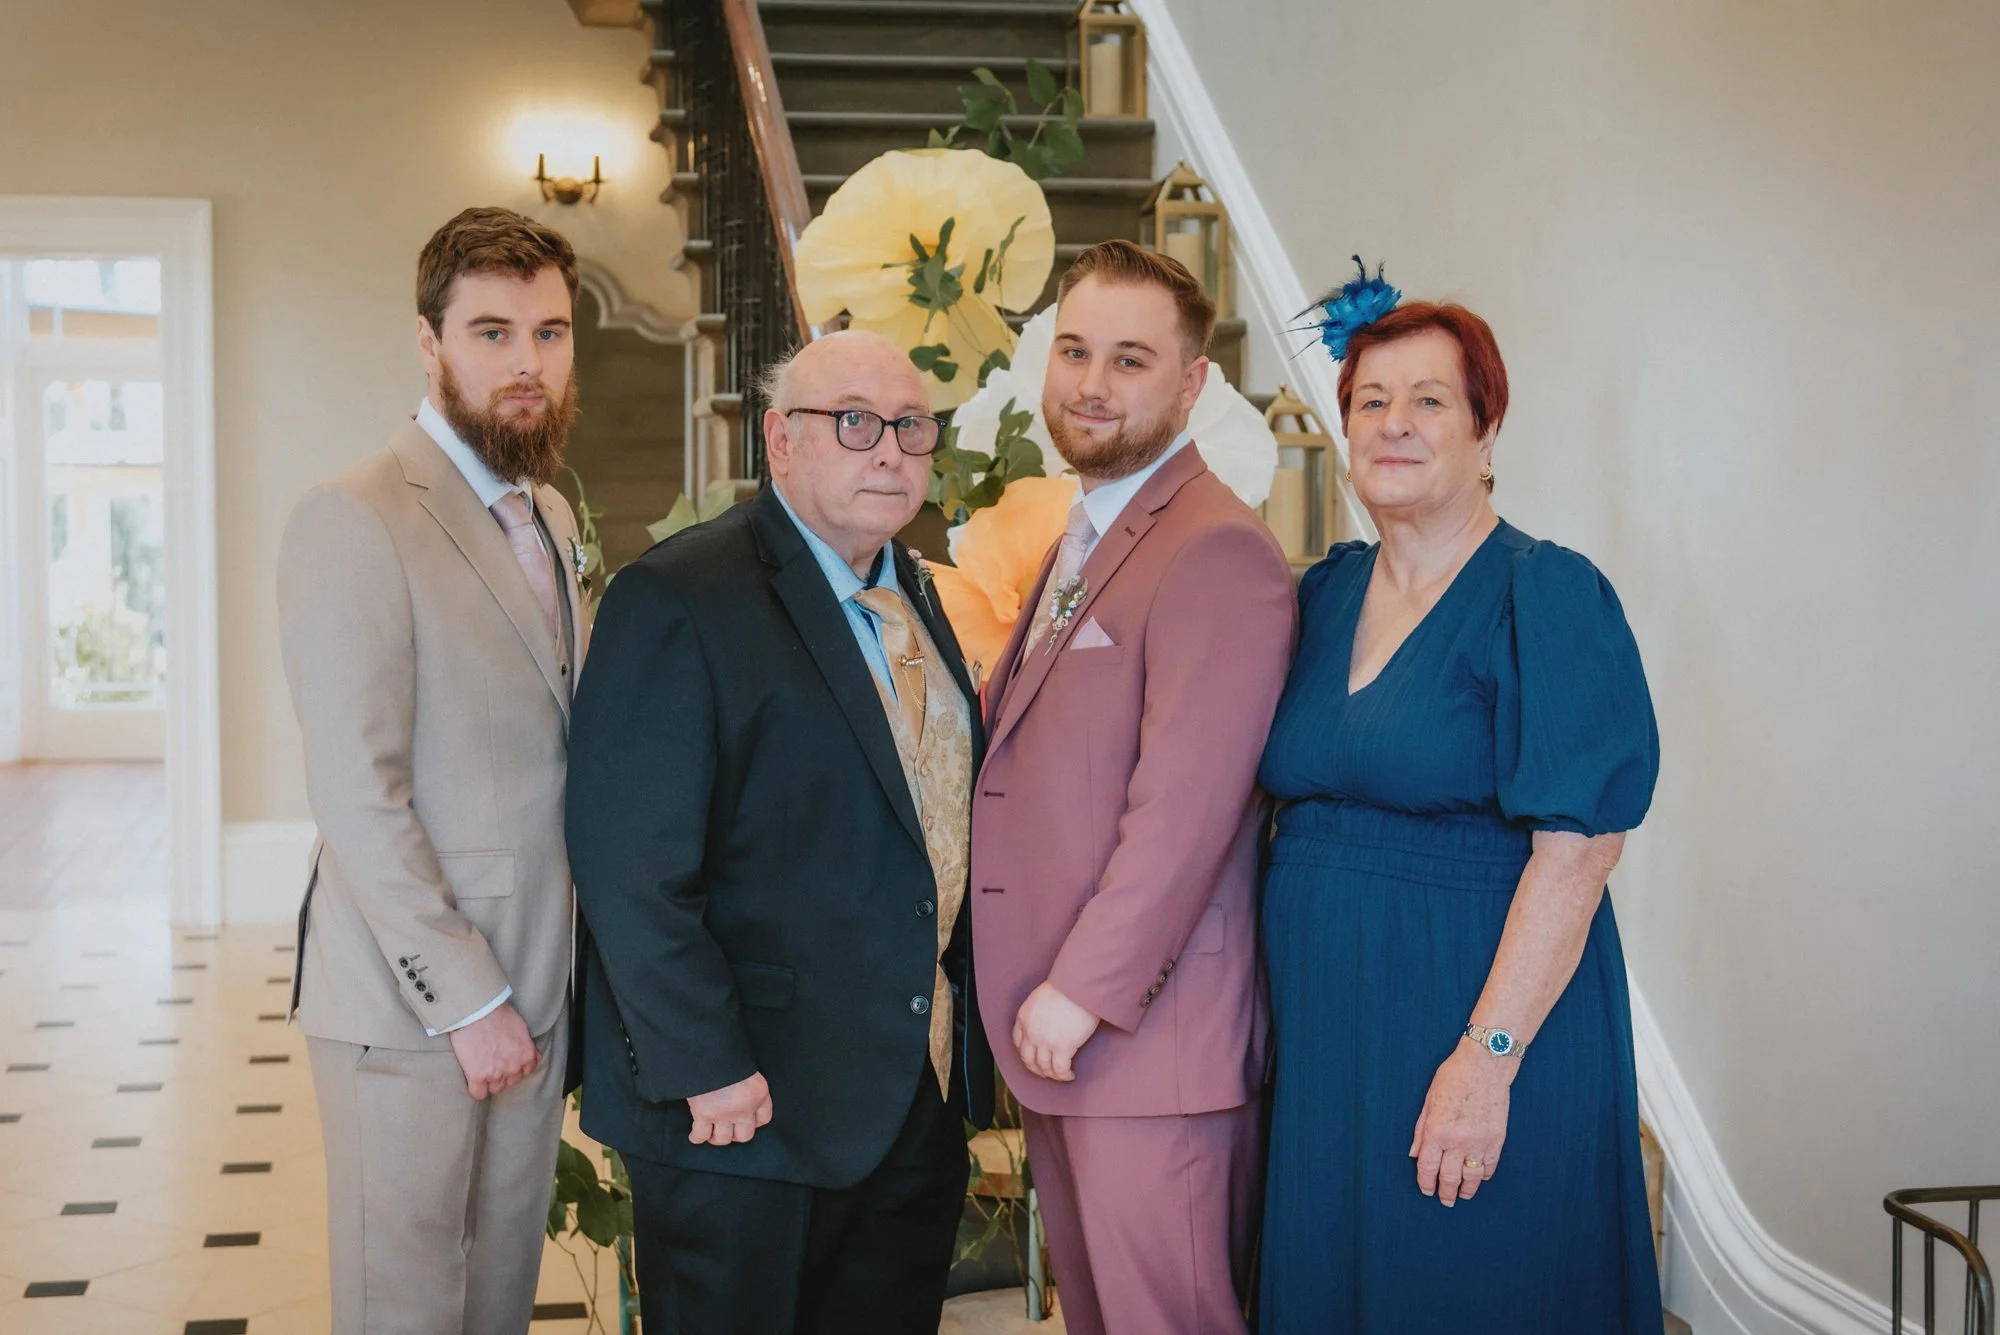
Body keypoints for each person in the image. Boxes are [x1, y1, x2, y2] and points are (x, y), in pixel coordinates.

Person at [565, 329, 994, 1335]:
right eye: (852, 423)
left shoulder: (915, 595)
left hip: (904, 1103)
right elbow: (629, 862)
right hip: (743, 1107)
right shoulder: (679, 596)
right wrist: (702, 1062)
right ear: (780, 441)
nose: (888, 450)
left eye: (910, 427)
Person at [1255, 293, 1664, 1331]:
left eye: (1428, 400)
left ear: (1485, 432)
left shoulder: (1545, 593)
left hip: (1472, 1018)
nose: (1392, 422)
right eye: (1370, 400)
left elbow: (1578, 855)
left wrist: (1484, 1065)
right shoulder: (1321, 594)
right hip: (1326, 1040)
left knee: (1467, 1288)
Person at [970, 240, 1297, 1335]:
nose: (1090, 385)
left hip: (1144, 1041)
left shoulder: (1215, 551)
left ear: (1192, 383)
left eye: (1128, 360)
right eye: (1072, 351)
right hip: (1064, 1040)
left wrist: (1087, 990)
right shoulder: (1087, 527)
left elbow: (1187, 810)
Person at [276, 206, 587, 1333]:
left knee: (496, 1295)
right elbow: (359, 793)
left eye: (549, 334)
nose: (526, 364)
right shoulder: (352, 517)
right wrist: (470, 1000)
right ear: (429, 343)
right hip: (413, 1005)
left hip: (539, 984)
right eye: (493, 333)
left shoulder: (544, 510)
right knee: (404, 1306)